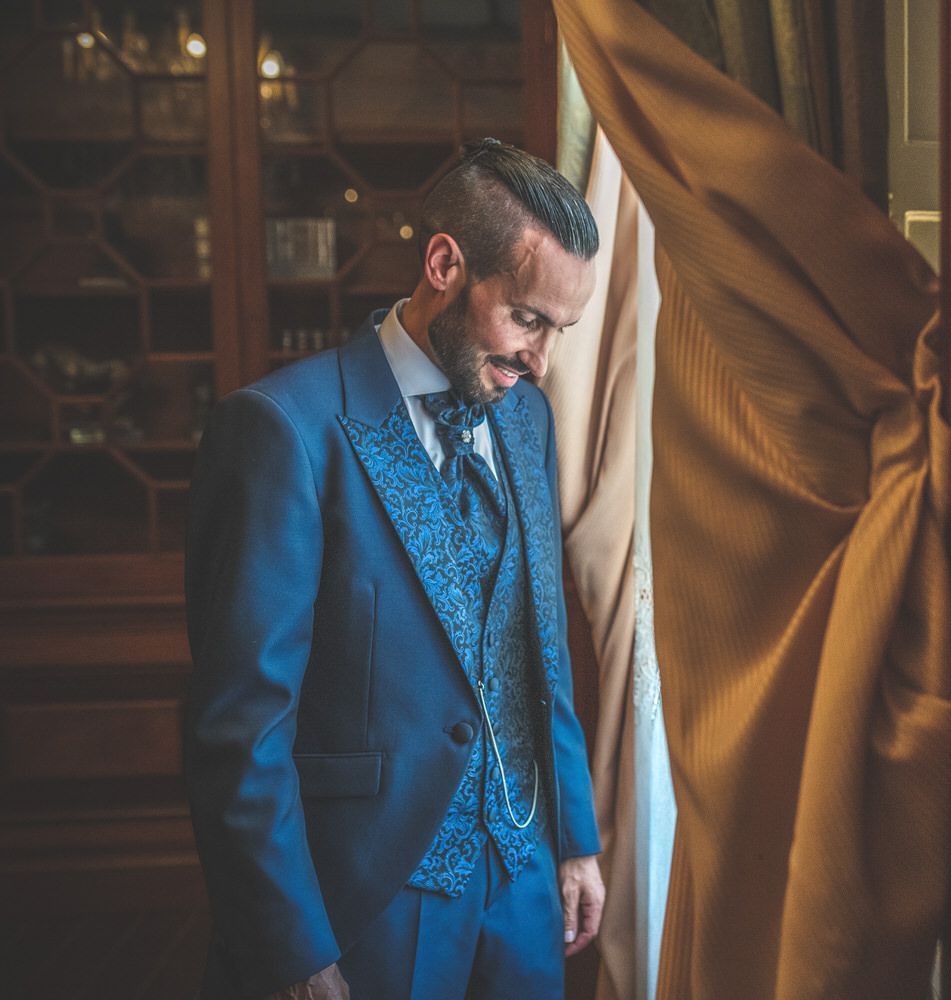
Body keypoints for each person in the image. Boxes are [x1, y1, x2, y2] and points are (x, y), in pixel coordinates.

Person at [183, 139, 604, 1000]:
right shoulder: (285, 432)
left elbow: (536, 644)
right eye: (527, 318)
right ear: (445, 263)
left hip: (522, 885)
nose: (540, 361)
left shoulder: (528, 419)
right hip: (364, 897)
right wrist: (288, 944)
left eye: (561, 331)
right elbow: (241, 727)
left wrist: (573, 837)